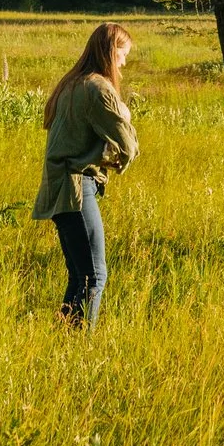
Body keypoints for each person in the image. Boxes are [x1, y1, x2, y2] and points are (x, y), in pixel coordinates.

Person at [31, 22, 137, 328]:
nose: (123, 63)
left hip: (57, 188)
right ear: (111, 51)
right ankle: (81, 343)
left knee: (79, 276)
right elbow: (128, 144)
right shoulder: (98, 88)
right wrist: (120, 149)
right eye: (123, 54)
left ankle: (65, 339)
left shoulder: (70, 84)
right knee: (95, 275)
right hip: (77, 188)